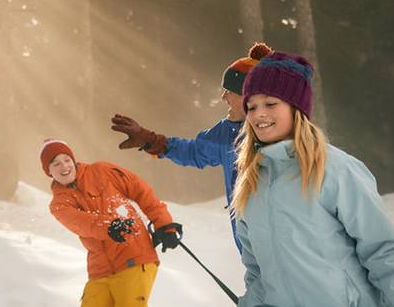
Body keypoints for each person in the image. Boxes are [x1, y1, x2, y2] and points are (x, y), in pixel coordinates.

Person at [231, 51, 394, 307]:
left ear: (296, 108)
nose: (259, 114)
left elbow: (382, 250)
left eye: (271, 104)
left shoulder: (334, 169)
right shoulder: (250, 184)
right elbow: (258, 271)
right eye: (251, 106)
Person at [110, 42, 273, 254]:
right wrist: (150, 140)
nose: (223, 97)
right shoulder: (227, 134)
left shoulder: (282, 135)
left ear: (248, 97)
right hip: (250, 252)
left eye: (229, 91)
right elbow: (195, 151)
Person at [43, 138, 182, 307]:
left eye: (67, 160)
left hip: (134, 257)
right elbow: (82, 223)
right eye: (55, 164)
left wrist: (164, 225)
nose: (64, 166)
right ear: (48, 171)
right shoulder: (59, 205)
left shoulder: (102, 171)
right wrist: (109, 227)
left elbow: (141, 191)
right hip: (99, 271)